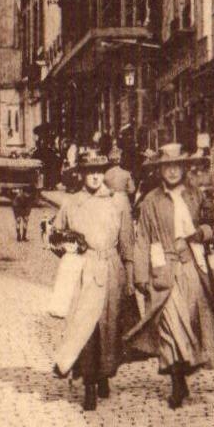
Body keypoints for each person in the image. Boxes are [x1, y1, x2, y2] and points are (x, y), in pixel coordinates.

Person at [131, 143, 214, 409]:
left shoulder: (195, 196)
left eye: (176, 166)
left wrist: (200, 233)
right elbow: (142, 237)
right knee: (169, 324)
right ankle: (177, 381)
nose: (171, 171)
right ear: (159, 170)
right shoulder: (151, 201)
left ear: (183, 168)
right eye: (166, 166)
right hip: (163, 268)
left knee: (192, 321)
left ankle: (185, 365)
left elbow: (213, 224)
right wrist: (140, 275)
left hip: (191, 266)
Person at [49, 165, 134, 411]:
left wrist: (129, 277)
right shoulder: (72, 202)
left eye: (99, 171)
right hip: (83, 271)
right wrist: (68, 248)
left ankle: (104, 374)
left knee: (109, 326)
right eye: (90, 172)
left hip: (111, 269)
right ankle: (89, 384)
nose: (95, 177)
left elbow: (127, 241)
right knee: (86, 327)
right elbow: (55, 236)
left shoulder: (118, 202)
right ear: (82, 175)